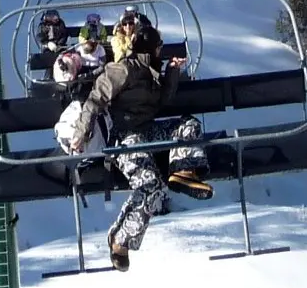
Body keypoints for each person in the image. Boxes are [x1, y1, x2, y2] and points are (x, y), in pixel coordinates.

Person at [77, 24, 211, 271]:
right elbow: (95, 99)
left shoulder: (152, 71)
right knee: (151, 186)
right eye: (159, 47)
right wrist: (81, 133)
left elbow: (163, 102)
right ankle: (120, 240)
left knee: (188, 125)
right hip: (124, 138)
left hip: (147, 130)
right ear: (150, 48)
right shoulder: (123, 69)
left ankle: (183, 171)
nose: (161, 51)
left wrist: (172, 73)